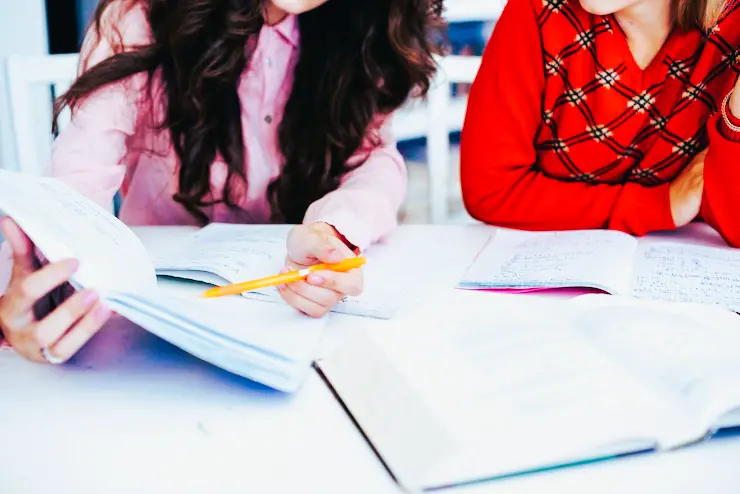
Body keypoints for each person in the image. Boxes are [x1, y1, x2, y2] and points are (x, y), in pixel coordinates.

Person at [0, 0, 444, 364]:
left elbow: (375, 163)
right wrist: (29, 289)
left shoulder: (363, 26)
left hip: (294, 318)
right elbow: (76, 185)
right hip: (152, 318)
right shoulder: (140, 16)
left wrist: (336, 229)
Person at [460, 0, 740, 243]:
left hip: (686, 285)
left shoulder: (732, 24)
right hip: (548, 283)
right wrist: (659, 205)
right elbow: (492, 191)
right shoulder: (538, 10)